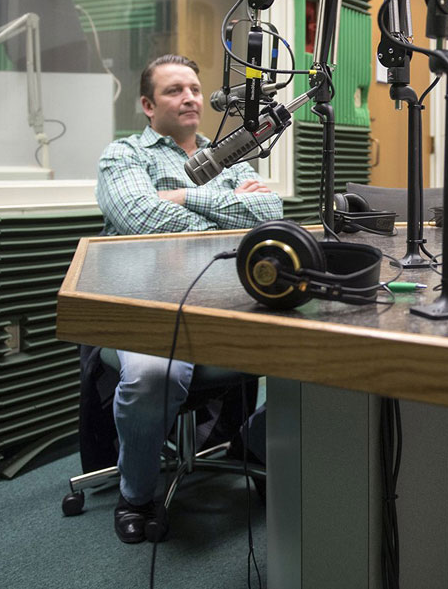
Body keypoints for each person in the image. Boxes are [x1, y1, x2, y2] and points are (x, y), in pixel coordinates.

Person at [95, 54, 284, 544]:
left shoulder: (228, 157)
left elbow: (269, 210)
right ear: (146, 104)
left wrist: (181, 197)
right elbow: (141, 218)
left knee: (310, 346)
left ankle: (251, 443)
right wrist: (227, 216)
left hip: (224, 295)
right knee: (156, 372)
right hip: (147, 301)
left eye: (195, 89)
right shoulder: (123, 156)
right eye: (175, 90)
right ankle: (136, 494)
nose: (191, 97)